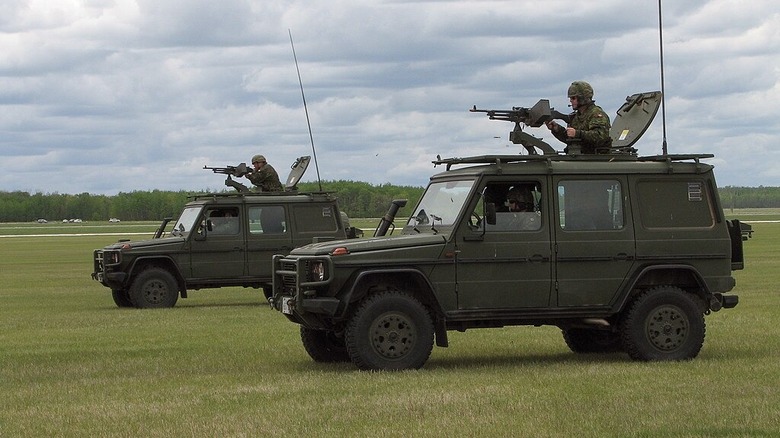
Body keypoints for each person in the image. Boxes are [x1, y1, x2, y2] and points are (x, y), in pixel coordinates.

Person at [545, 81, 612, 154]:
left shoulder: (596, 114)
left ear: (583, 98)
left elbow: (600, 136)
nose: (570, 101)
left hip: (596, 157)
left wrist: (577, 133)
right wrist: (557, 129)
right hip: (581, 156)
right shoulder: (577, 117)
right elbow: (571, 140)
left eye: (573, 98)